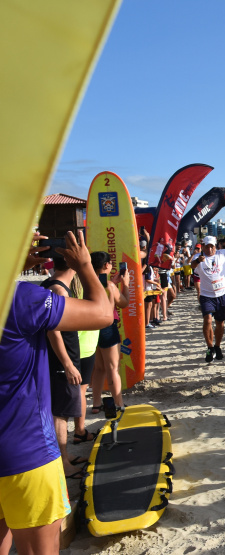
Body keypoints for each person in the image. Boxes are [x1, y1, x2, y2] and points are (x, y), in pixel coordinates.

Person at [1, 230, 113, 555]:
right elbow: (103, 314)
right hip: (27, 452)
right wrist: (85, 266)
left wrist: (11, 264)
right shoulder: (21, 299)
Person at [41, 253, 91, 480]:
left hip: (64, 358)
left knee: (63, 411)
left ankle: (65, 456)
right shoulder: (58, 289)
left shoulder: (55, 285)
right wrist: (68, 364)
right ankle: (63, 464)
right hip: (61, 361)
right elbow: (53, 331)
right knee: (60, 413)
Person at [191, 230, 225, 362]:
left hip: (222, 293)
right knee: (207, 320)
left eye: (212, 246)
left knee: (220, 323)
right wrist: (198, 261)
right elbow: (192, 265)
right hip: (206, 295)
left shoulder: (221, 254)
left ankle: (217, 346)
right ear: (203, 246)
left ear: (216, 246)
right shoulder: (199, 257)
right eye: (207, 246)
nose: (209, 249)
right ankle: (210, 347)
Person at [89, 251, 131, 413]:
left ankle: (96, 404)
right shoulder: (109, 286)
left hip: (91, 326)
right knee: (113, 368)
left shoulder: (88, 282)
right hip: (107, 326)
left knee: (99, 368)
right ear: (106, 265)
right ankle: (119, 404)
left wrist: (113, 282)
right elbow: (124, 303)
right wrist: (125, 284)